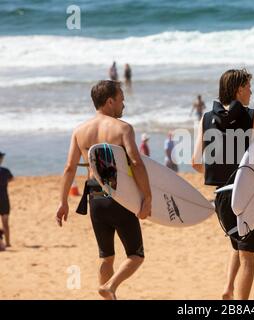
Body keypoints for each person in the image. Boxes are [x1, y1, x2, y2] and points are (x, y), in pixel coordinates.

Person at [55, 80, 152, 300]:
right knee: (136, 255)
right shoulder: (123, 128)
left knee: (106, 257)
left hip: (95, 200)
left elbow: (70, 168)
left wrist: (63, 202)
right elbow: (136, 163)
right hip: (120, 198)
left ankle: (107, 292)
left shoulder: (80, 131)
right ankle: (110, 286)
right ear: (110, 101)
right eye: (121, 99)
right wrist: (147, 197)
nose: (123, 104)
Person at [192, 69, 254, 300]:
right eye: (248, 86)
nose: (251, 91)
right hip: (246, 194)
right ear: (239, 89)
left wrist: (221, 172)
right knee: (248, 258)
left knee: (238, 244)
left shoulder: (204, 119)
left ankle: (228, 287)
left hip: (221, 198)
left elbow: (195, 163)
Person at [0, 151, 13, 247]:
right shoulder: (5, 171)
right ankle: (8, 242)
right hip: (4, 199)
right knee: (5, 222)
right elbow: (11, 179)